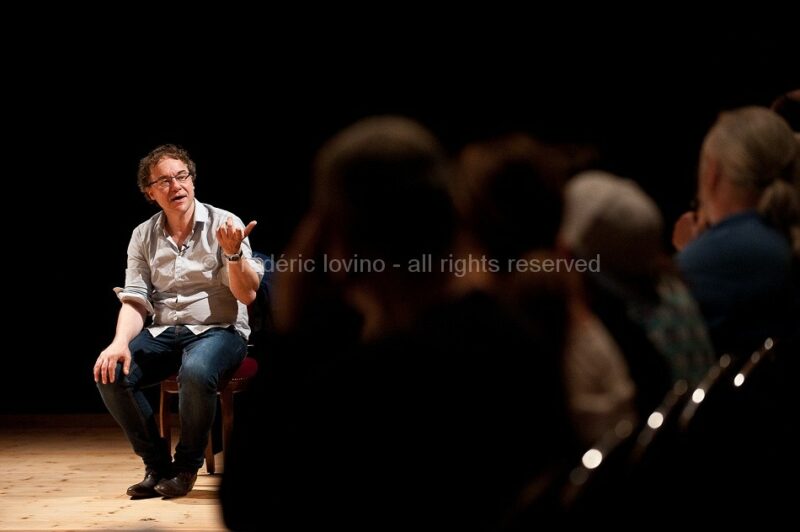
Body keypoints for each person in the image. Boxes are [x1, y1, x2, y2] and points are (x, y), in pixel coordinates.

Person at [94, 144, 263, 498]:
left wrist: (232, 253)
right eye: (164, 181)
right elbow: (135, 298)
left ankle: (186, 467)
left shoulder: (224, 224)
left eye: (181, 176)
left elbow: (246, 295)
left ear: (193, 181)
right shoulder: (143, 235)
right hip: (164, 331)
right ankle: (157, 466)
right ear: (150, 193)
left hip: (220, 330)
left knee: (198, 370)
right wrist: (119, 343)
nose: (176, 186)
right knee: (111, 372)